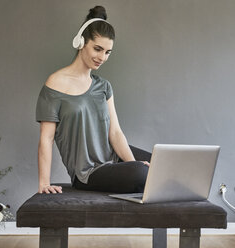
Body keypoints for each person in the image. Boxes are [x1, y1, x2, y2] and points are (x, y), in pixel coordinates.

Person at [36, 6, 150, 194]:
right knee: (143, 173)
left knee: (160, 165)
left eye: (107, 52)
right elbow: (46, 138)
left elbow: (115, 133)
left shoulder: (103, 86)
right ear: (81, 42)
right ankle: (139, 173)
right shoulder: (55, 83)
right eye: (97, 49)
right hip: (88, 173)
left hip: (112, 158)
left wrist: (132, 163)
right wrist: (43, 183)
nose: (102, 57)